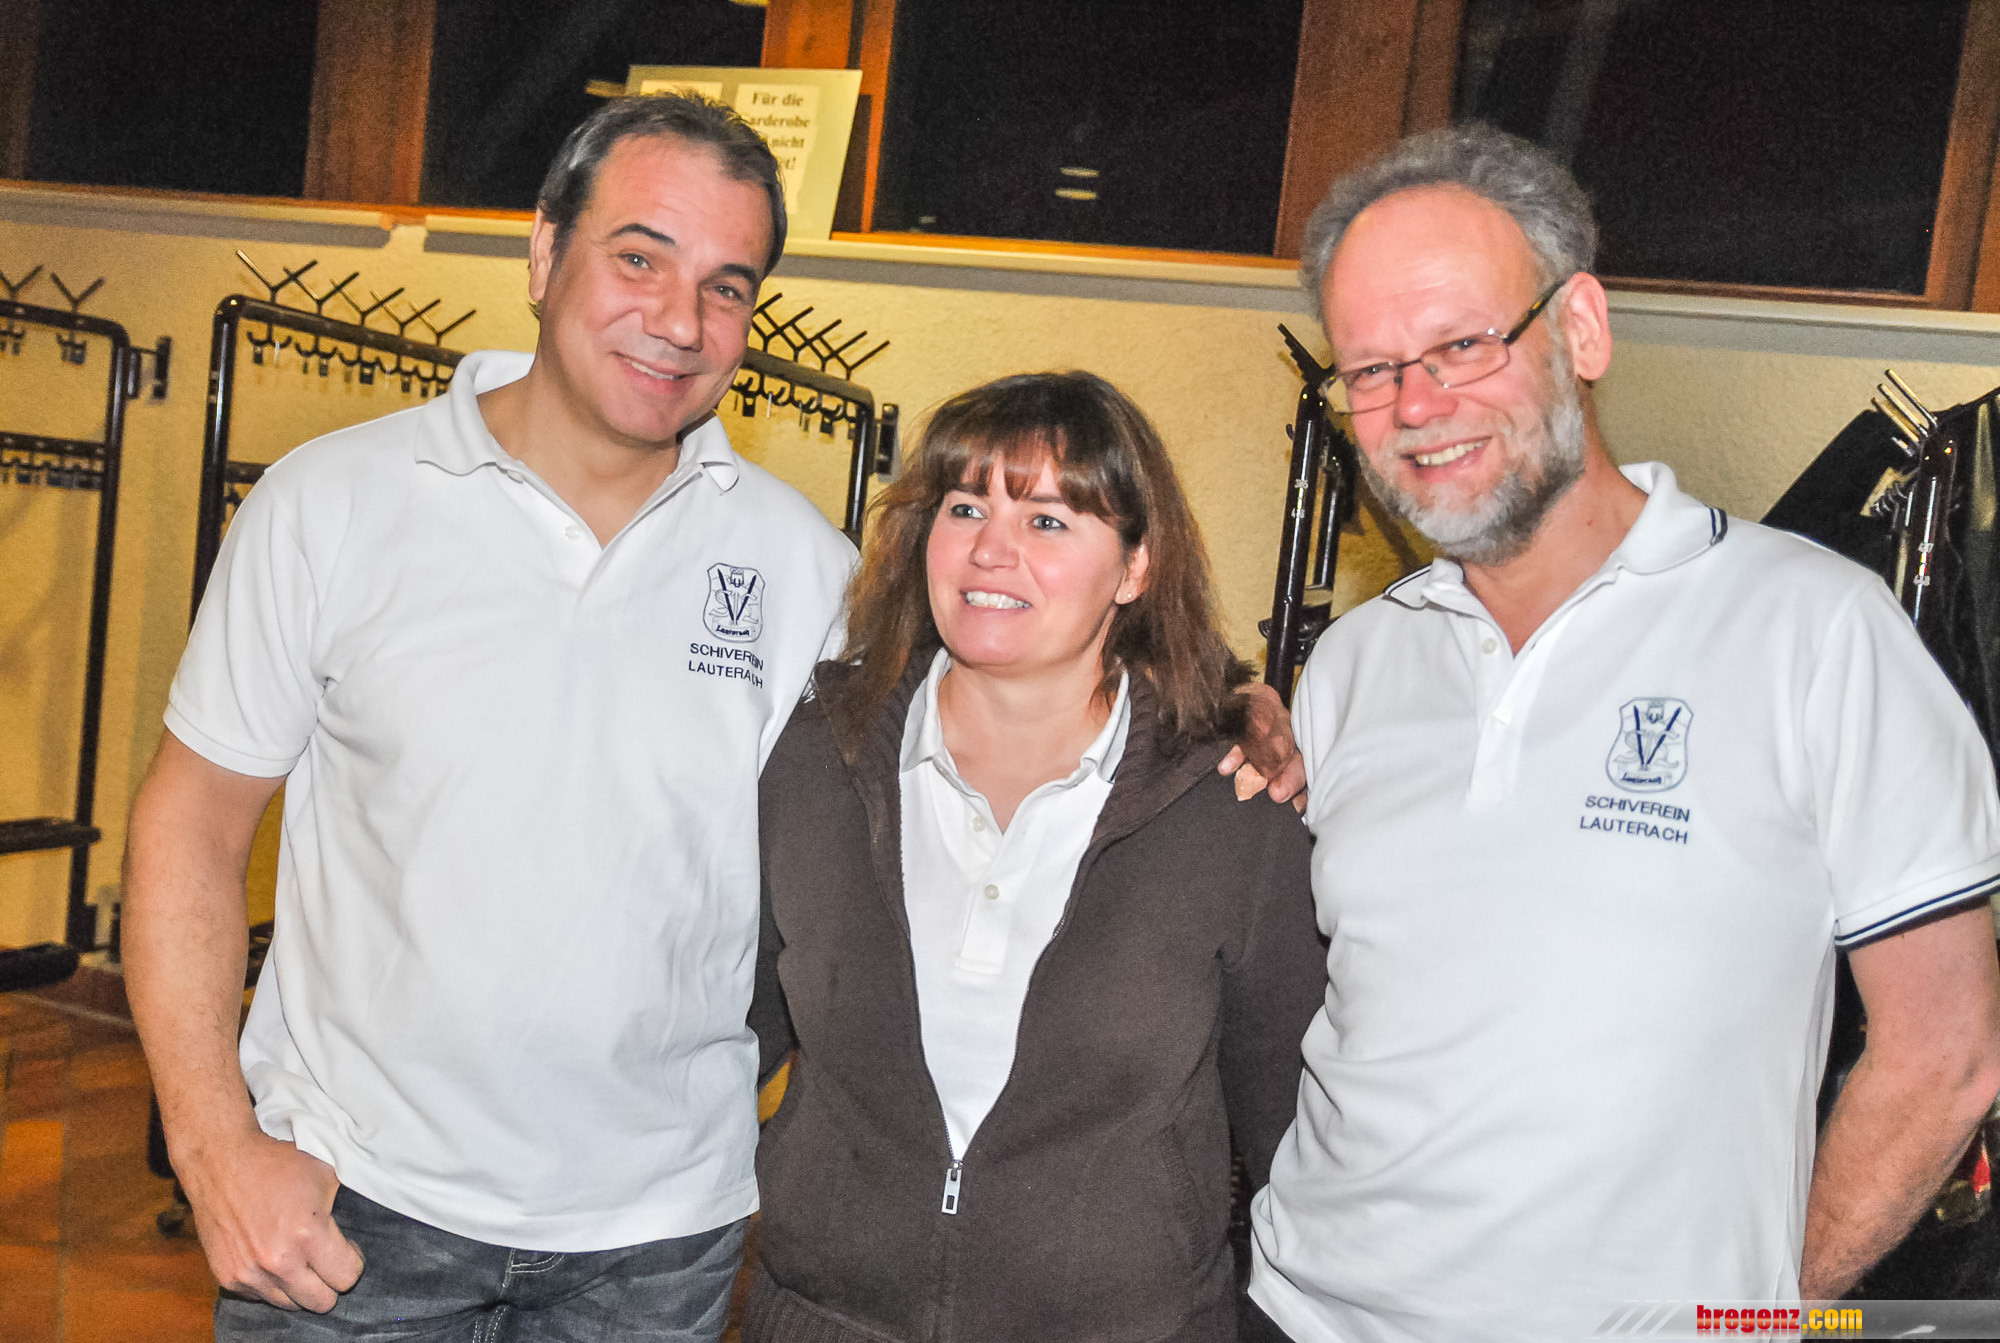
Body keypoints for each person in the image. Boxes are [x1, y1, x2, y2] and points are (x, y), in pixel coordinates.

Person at [1248, 124, 2000, 1341]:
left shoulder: (1816, 631)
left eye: (1461, 344)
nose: (1415, 406)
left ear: (1581, 328)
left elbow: (1947, 1050)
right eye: (1370, 368)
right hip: (1299, 1309)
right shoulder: (1354, 660)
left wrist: (1758, 1311)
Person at [122, 95, 854, 1340]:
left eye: (725, 288)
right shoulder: (331, 504)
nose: (681, 322)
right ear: (543, 252)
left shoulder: (806, 571)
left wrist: (1203, 734)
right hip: (350, 1216)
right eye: (640, 258)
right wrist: (213, 1147)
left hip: (654, 1247)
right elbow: (190, 823)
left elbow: (948, 785)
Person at [747, 371, 1325, 1342]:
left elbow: (1291, 1134)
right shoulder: (816, 755)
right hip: (825, 1318)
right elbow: (730, 1034)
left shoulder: (1230, 803)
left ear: (1135, 566)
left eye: (1048, 520)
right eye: (964, 506)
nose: (990, 548)